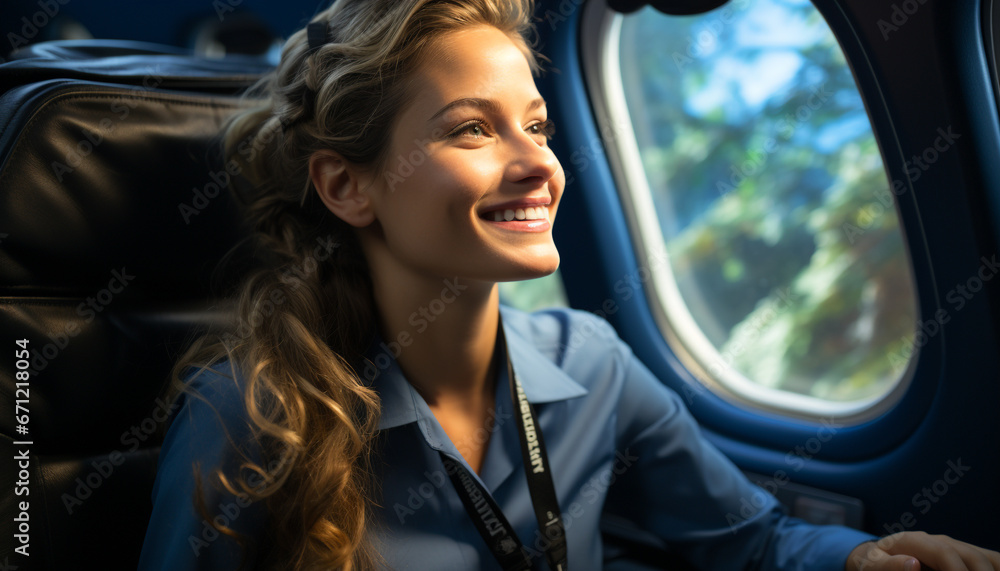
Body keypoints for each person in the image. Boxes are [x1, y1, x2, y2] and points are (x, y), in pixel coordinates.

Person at [138, 0, 1000, 569]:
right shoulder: (251, 415)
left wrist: (860, 559)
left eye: (539, 125)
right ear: (347, 186)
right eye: (473, 128)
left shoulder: (592, 362)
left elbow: (756, 539)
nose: (538, 164)